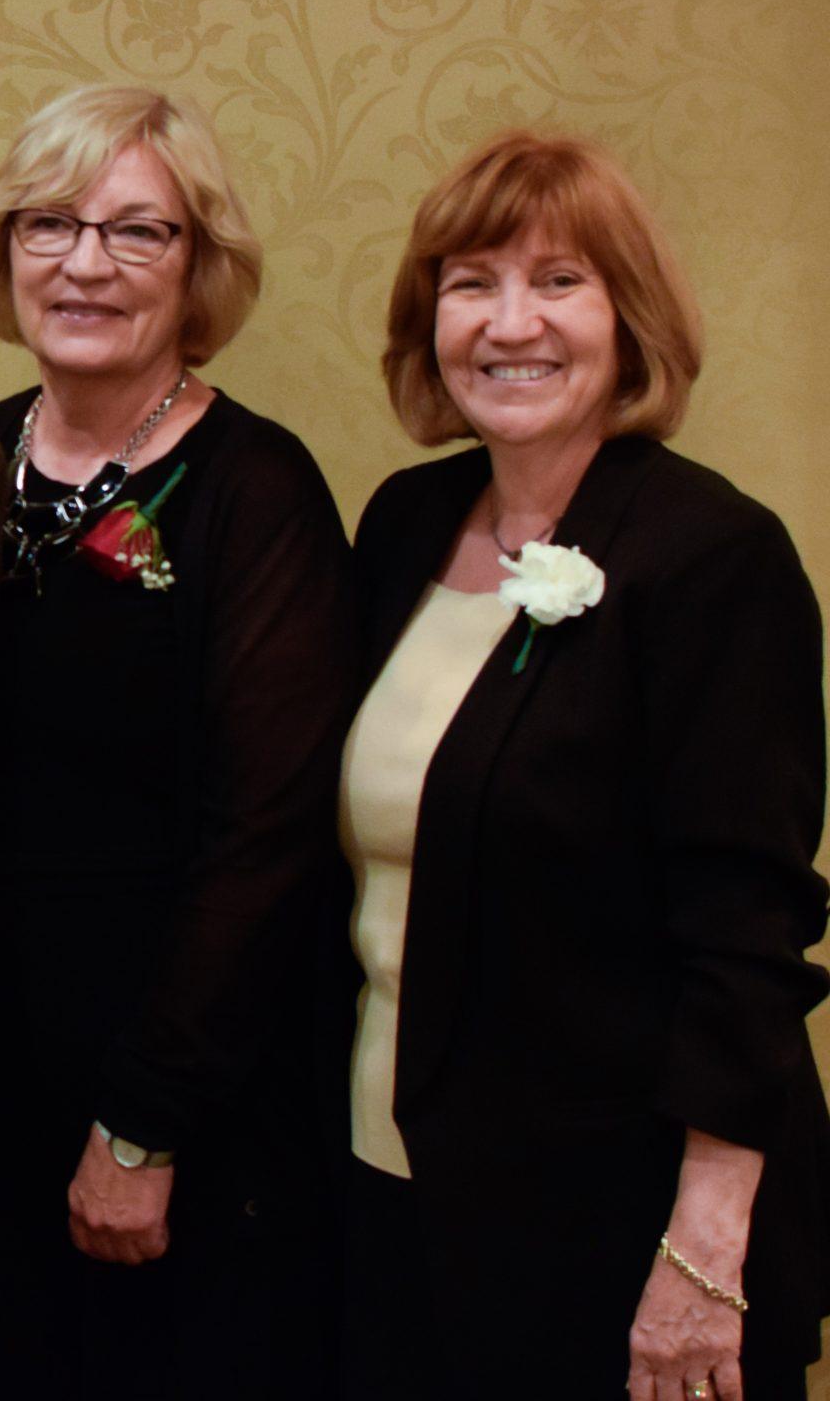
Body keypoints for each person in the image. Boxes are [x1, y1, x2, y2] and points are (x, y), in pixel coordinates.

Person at [336, 129, 829, 1400]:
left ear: (629, 319)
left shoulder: (710, 557)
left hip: (618, 1227)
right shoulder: (401, 525)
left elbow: (744, 938)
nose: (511, 323)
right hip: (394, 1187)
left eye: (559, 281)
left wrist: (702, 1255)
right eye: (470, 282)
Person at [0, 84, 353, 1398]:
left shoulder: (258, 493)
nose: (86, 262)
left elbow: (266, 836)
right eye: (49, 223)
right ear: (6, 252)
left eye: (137, 231)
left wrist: (143, 1121)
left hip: (183, 1100)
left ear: (200, 266)